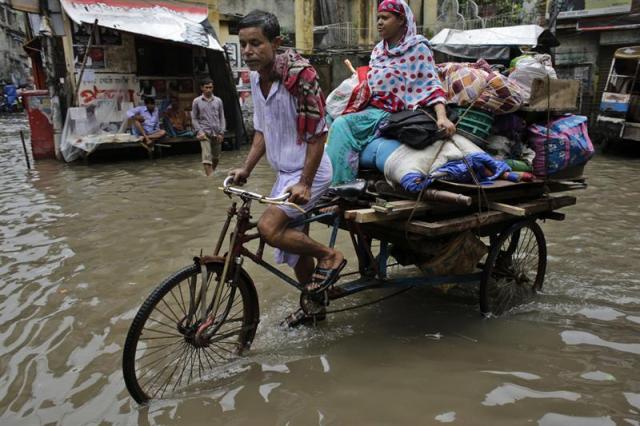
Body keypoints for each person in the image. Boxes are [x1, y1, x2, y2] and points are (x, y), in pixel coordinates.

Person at [228, 10, 346, 295]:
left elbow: (318, 135)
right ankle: (314, 304)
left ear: (276, 43)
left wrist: (305, 183)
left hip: (312, 172)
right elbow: (261, 132)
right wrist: (246, 169)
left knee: (270, 229)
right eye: (243, 44)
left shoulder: (301, 78)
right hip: (284, 174)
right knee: (295, 248)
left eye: (256, 43)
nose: (248, 51)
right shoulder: (256, 80)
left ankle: (329, 255)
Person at [326, 0, 456, 184]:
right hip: (367, 106)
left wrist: (442, 117)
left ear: (401, 20)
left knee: (341, 125)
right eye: (378, 18)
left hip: (388, 113)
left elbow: (431, 85)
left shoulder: (418, 49)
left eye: (385, 18)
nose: (379, 22)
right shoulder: (379, 51)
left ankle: (340, 187)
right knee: (328, 116)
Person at [191, 79, 226, 176]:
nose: (209, 90)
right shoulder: (197, 101)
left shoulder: (218, 101)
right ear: (202, 88)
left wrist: (222, 132)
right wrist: (199, 131)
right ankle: (210, 180)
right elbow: (194, 118)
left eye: (210, 87)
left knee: (216, 157)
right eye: (206, 87)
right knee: (206, 158)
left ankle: (210, 173)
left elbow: (222, 117)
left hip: (217, 132)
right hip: (204, 133)